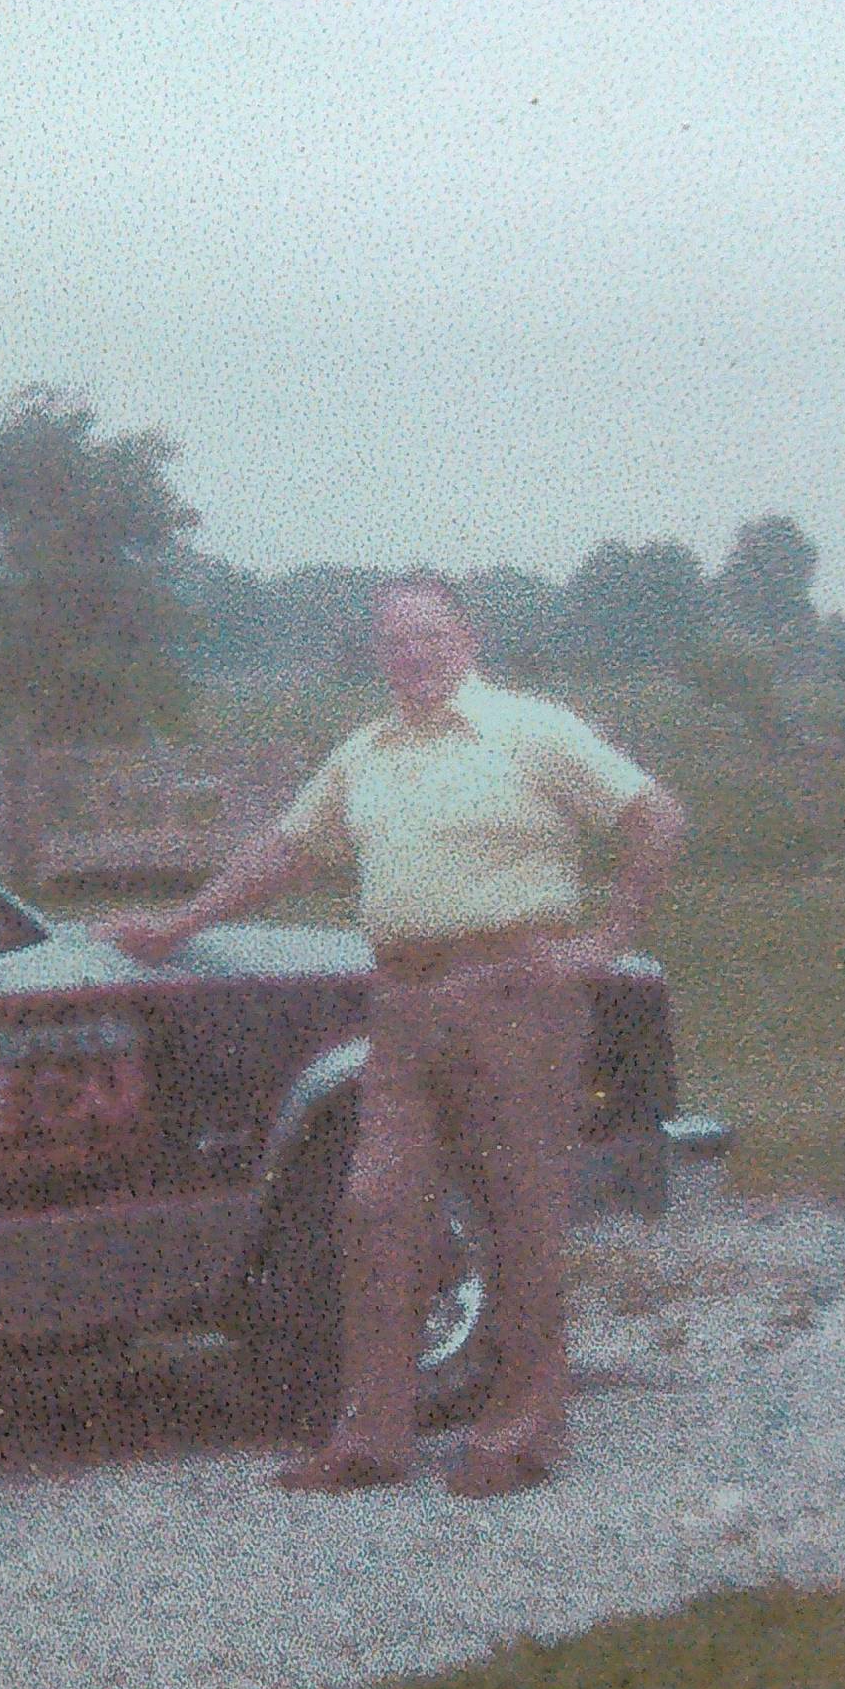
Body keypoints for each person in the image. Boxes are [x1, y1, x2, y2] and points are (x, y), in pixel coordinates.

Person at [104, 575, 687, 1498]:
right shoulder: (365, 752)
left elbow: (653, 815)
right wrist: (178, 923)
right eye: (392, 639)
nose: (409, 652)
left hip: (515, 991)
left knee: (517, 1210)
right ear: (378, 652)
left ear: (467, 635)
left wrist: (606, 940)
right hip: (402, 1000)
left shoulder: (531, 729)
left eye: (426, 633)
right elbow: (288, 850)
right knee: (375, 1208)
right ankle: (374, 1435)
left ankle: (523, 1428)